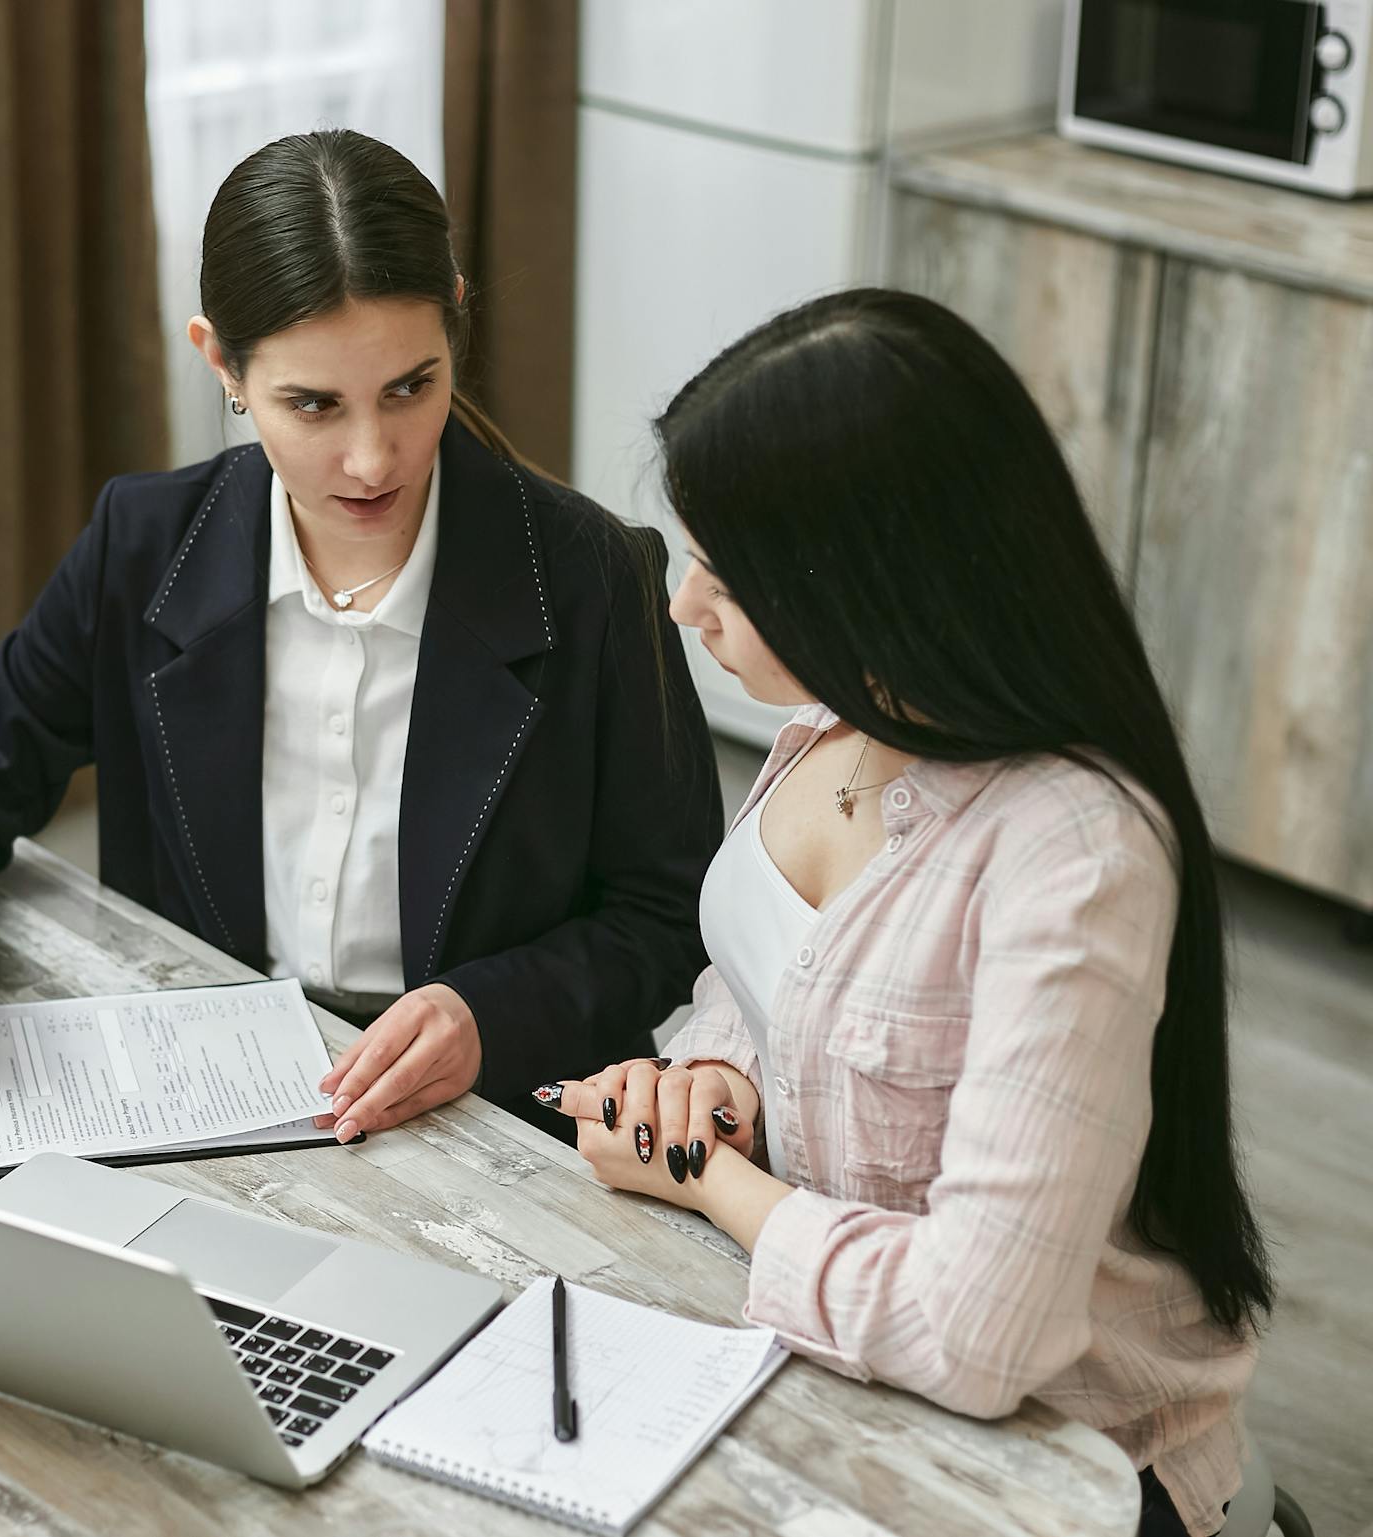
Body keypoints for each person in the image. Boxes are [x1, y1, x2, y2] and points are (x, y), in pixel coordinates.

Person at [545, 290, 1272, 1537]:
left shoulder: (1074, 851)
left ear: (867, 574)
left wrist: (712, 1178)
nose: (684, 604)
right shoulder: (838, 717)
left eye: (726, 569)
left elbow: (983, 1336)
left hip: (1058, 1459)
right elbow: (771, 976)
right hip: (836, 1362)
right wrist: (725, 1079)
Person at [0, 128, 722, 1141]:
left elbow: (668, 917)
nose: (370, 459)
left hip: (491, 1116)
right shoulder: (145, 545)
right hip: (202, 1091)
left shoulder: (590, 576)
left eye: (411, 387)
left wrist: (487, 1012)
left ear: (456, 319)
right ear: (219, 360)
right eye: (312, 405)